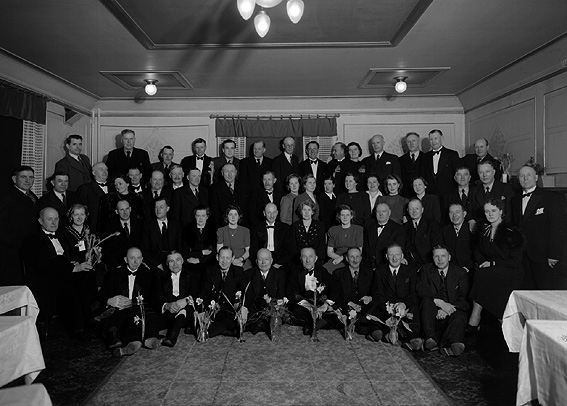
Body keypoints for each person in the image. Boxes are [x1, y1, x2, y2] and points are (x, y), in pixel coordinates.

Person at [22, 207, 93, 338]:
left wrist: (73, 262)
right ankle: (78, 327)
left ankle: (89, 319)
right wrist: (73, 268)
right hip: (46, 280)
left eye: (56, 219)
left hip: (63, 275)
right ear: (40, 221)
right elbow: (46, 265)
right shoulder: (32, 241)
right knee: (75, 285)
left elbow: (67, 256)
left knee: (88, 275)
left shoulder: (62, 236)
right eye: (49, 219)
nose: (54, 222)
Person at [468, 199, 525, 329]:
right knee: (481, 274)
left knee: (482, 275)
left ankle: (476, 317)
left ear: (501, 211)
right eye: (487, 211)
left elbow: (516, 261)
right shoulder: (483, 230)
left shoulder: (511, 231)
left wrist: (492, 263)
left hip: (511, 271)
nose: (490, 214)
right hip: (490, 270)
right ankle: (478, 317)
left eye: (493, 211)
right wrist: (482, 262)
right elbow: (477, 250)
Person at [99, 247, 163, 356]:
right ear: (125, 259)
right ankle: (132, 342)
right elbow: (102, 294)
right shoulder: (115, 273)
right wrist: (110, 301)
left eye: (138, 258)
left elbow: (153, 297)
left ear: (142, 259)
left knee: (144, 316)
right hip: (120, 310)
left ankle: (147, 340)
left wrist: (135, 303)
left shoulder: (148, 274)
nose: (135, 261)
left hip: (139, 308)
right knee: (120, 317)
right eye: (132, 258)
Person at [511, 165, 567, 290]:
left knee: (546, 293)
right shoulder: (515, 200)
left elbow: (558, 227)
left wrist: (554, 254)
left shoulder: (551, 197)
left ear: (536, 177)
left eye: (528, 175)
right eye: (521, 176)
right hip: (523, 258)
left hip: (545, 258)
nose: (525, 178)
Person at [417, 245, 469, 356]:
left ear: (449, 257)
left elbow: (463, 299)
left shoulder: (460, 273)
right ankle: (429, 339)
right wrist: (440, 303)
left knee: (460, 315)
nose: (440, 259)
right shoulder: (426, 270)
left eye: (443, 256)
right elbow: (421, 291)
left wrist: (447, 309)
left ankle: (450, 345)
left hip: (451, 313)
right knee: (426, 302)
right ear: (432, 258)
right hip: (431, 314)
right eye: (436, 256)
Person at [368, 244, 420, 348]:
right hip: (387, 305)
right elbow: (378, 293)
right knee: (376, 305)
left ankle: (412, 338)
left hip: (404, 305)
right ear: (386, 257)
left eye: (397, 255)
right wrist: (389, 306)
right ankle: (382, 333)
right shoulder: (380, 271)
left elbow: (413, 294)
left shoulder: (411, 271)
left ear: (402, 256)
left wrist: (404, 304)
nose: (394, 258)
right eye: (391, 255)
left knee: (414, 307)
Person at [285, 247, 345, 335]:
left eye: (311, 256)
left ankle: (312, 325)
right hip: (304, 306)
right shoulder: (294, 272)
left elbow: (335, 286)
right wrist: (309, 308)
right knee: (293, 309)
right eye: (304, 257)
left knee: (337, 306)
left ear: (316, 258)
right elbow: (291, 292)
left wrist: (325, 305)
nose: (308, 260)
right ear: (301, 259)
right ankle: (317, 323)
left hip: (320, 304)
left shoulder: (322, 271)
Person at [0, 166, 39, 286]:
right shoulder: (6, 197)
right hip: (11, 252)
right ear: (14, 179)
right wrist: (20, 244)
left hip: (28, 250)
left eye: (31, 177)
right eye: (23, 177)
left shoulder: (32, 196)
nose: (28, 180)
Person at [200, 246, 245, 338]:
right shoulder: (209, 271)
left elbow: (243, 293)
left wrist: (240, 308)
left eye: (228, 258)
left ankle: (219, 330)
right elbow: (204, 292)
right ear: (217, 257)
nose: (224, 261)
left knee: (237, 321)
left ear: (232, 258)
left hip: (230, 310)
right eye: (222, 258)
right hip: (214, 310)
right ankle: (226, 330)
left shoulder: (238, 271)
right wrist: (206, 311)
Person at [160, 251, 199, 347]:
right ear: (167, 264)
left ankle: (172, 336)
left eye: (178, 260)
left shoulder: (192, 275)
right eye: (171, 261)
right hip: (168, 311)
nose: (175, 264)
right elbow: (156, 297)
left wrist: (186, 300)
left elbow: (196, 293)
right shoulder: (161, 277)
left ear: (182, 261)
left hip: (186, 309)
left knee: (183, 311)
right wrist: (167, 306)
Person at [244, 249, 287, 335]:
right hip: (255, 309)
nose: (263, 262)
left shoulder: (280, 274)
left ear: (271, 261)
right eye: (260, 259)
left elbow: (280, 295)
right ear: (256, 261)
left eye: (266, 259)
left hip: (272, 309)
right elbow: (247, 297)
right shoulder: (249, 274)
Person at [333, 247, 374, 336]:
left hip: (364, 306)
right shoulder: (338, 273)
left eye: (357, 257)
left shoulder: (370, 273)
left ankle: (361, 324)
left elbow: (375, 291)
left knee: (374, 307)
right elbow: (337, 295)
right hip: (347, 306)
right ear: (347, 259)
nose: (355, 260)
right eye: (352, 257)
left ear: (361, 258)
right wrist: (349, 303)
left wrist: (369, 298)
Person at [101, 199, 144, 271]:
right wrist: (117, 266)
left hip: (138, 265)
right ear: (116, 211)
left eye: (127, 209)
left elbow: (144, 246)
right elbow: (107, 249)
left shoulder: (140, 224)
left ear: (130, 209)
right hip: (118, 266)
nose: (125, 212)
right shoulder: (109, 226)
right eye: (122, 210)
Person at [142, 197, 182, 271]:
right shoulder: (148, 227)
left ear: (167, 208)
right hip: (156, 265)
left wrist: (176, 262)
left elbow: (180, 247)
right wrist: (156, 264)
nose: (158, 210)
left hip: (174, 263)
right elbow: (145, 250)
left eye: (161, 207)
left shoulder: (176, 225)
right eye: (156, 207)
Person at [362, 202, 405, 269]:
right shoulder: (368, 226)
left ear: (389, 212)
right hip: (367, 266)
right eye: (378, 211)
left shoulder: (397, 229)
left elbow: (398, 249)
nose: (381, 214)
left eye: (384, 211)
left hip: (386, 267)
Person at [403, 199, 442, 269]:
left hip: (429, 265)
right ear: (408, 211)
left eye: (417, 208)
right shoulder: (404, 227)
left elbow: (436, 246)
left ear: (422, 210)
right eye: (411, 209)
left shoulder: (432, 225)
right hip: (410, 266)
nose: (414, 211)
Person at [324, 205, 363, 273]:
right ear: (339, 216)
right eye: (342, 215)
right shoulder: (333, 230)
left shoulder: (358, 230)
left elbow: (359, 251)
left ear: (351, 216)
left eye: (347, 215)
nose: (345, 217)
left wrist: (343, 258)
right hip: (336, 257)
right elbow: (329, 252)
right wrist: (339, 258)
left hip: (353, 258)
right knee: (324, 271)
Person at [423, 129, 461, 198]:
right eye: (431, 139)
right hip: (431, 195)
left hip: (449, 193)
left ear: (442, 138)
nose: (433, 142)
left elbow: (458, 173)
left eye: (436, 138)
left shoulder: (452, 154)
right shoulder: (425, 157)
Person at [182, 205, 216, 282]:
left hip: (208, 264)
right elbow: (185, 252)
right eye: (198, 216)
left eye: (203, 216)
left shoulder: (213, 230)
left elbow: (213, 252)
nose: (200, 219)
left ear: (207, 217)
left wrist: (199, 260)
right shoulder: (187, 229)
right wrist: (201, 252)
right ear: (194, 216)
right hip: (191, 264)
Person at [250, 203, 290, 267]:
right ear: (264, 213)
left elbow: (288, 250)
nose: (272, 215)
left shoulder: (285, 228)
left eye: (274, 212)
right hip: (263, 258)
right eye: (269, 212)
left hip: (280, 259)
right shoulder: (256, 228)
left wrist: (279, 263)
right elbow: (254, 249)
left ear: (277, 213)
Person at [208, 162, 247, 228]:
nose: (229, 174)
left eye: (232, 171)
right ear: (222, 173)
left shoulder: (244, 187)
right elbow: (215, 212)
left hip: (241, 227)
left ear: (236, 173)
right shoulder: (215, 188)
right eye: (226, 171)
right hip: (222, 227)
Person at [441, 203, 474, 273]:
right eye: (451, 213)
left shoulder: (471, 229)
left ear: (464, 214)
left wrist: (467, 267)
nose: (454, 215)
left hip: (471, 270)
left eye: (457, 212)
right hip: (451, 271)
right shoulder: (445, 230)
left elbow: (477, 251)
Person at [216, 205, 251, 270]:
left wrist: (240, 259)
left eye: (235, 214)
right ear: (227, 217)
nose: (233, 217)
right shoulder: (221, 231)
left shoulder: (245, 231)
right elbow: (220, 251)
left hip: (242, 261)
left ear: (239, 216)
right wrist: (230, 261)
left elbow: (248, 251)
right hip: (226, 261)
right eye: (230, 214)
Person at [77, 162, 109, 232]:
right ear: (93, 173)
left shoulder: (114, 187)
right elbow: (81, 210)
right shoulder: (85, 189)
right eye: (101, 169)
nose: (105, 172)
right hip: (93, 228)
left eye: (106, 169)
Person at [399, 132, 425, 198]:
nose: (411, 144)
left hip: (423, 195)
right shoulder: (401, 160)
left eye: (413, 141)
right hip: (406, 196)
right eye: (409, 142)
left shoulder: (426, 158)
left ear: (418, 141)